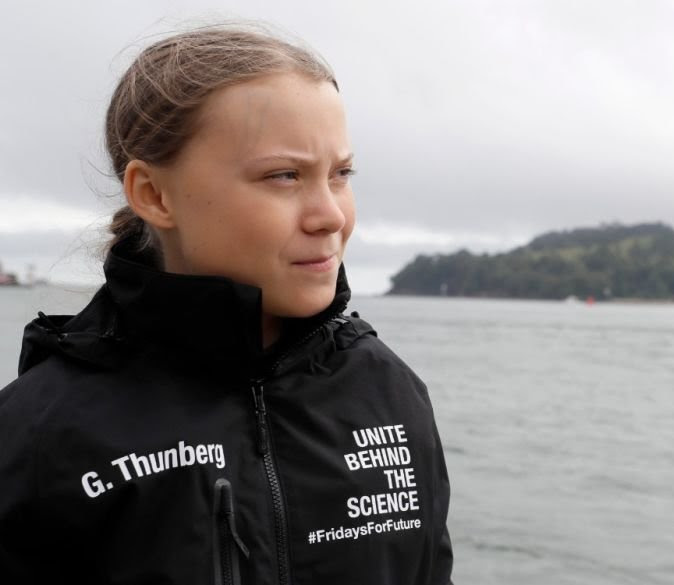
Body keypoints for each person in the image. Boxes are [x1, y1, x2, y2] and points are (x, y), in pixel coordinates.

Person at [0, 25, 453, 584]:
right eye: (283, 175)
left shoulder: (388, 392)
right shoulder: (42, 434)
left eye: (340, 174)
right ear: (154, 195)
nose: (331, 216)